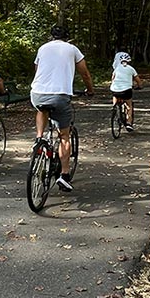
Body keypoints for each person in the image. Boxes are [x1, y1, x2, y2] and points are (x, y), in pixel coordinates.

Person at [30, 25, 94, 192]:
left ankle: (39, 138)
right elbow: (85, 73)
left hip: (37, 93)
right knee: (64, 136)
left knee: (41, 109)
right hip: (60, 95)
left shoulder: (42, 48)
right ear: (68, 37)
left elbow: (37, 70)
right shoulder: (72, 49)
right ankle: (64, 175)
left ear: (51, 36)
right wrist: (90, 90)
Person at [110, 52, 141, 131]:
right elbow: (138, 80)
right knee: (129, 105)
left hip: (115, 89)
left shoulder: (117, 68)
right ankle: (129, 123)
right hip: (126, 90)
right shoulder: (131, 69)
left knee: (115, 94)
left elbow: (112, 78)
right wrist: (139, 86)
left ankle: (114, 107)